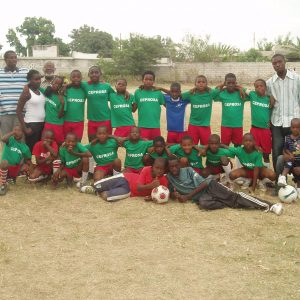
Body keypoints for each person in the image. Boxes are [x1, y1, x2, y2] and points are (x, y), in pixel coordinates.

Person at [167, 157, 283, 215]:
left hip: (210, 187)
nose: (174, 169)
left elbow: (205, 183)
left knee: (235, 198)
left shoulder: (188, 170)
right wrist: (175, 195)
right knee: (204, 204)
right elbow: (172, 192)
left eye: (176, 166)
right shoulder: (169, 178)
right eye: (171, 167)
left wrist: (187, 196)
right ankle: (226, 201)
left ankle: (270, 205)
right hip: (202, 197)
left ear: (179, 165)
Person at [267, 54, 300, 172]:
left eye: (279, 62)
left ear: (285, 61)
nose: (277, 65)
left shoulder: (297, 79)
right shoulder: (270, 83)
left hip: (294, 123)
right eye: (274, 63)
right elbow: (265, 99)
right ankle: (279, 181)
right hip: (277, 122)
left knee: (296, 151)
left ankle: (297, 179)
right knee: (276, 151)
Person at [81, 158, 168, 202]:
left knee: (106, 196)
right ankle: (92, 186)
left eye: (161, 169)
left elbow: (159, 193)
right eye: (157, 168)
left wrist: (152, 197)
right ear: (152, 167)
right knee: (97, 185)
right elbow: (139, 187)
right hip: (125, 178)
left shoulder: (163, 180)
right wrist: (151, 185)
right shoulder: (146, 170)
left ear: (164, 170)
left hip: (129, 191)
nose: (159, 170)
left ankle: (96, 192)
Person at [182, 75, 220, 145]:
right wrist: (193, 89)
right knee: (192, 146)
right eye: (198, 82)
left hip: (205, 126)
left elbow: (220, 89)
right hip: (193, 125)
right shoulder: (191, 94)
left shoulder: (210, 93)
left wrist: (209, 88)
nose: (201, 83)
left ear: (206, 84)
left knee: (207, 147)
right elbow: (180, 95)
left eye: (203, 82)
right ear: (195, 84)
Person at [81, 66, 115, 141]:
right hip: (92, 120)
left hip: (106, 120)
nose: (94, 74)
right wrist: (65, 86)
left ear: (100, 74)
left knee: (107, 143)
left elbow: (116, 96)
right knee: (92, 143)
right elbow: (74, 83)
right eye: (92, 73)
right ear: (88, 75)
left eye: (96, 72)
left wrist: (126, 91)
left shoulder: (106, 86)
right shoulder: (85, 85)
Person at [246, 79, 274, 168]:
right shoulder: (252, 95)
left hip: (265, 130)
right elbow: (242, 89)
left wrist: (271, 96)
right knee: (252, 152)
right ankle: (251, 173)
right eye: (256, 87)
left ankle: (266, 176)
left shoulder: (269, 99)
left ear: (265, 87)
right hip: (254, 129)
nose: (259, 88)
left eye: (261, 86)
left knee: (265, 154)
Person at [0, 50, 28, 136]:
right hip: (4, 113)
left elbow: (35, 82)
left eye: (15, 57)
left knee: (20, 139)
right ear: (5, 59)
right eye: (11, 58)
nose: (14, 60)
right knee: (6, 140)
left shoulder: (25, 72)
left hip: (20, 114)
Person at [16, 70, 46, 152]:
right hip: (31, 125)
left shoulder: (41, 91)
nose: (39, 81)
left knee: (40, 148)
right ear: (30, 80)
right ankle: (31, 164)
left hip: (42, 124)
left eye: (39, 79)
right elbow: (18, 111)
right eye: (36, 79)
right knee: (32, 148)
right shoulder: (26, 93)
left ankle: (37, 164)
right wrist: (25, 128)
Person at [215, 73, 247, 147]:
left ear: (236, 83)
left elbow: (251, 94)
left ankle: (237, 159)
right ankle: (225, 159)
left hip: (238, 126)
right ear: (225, 83)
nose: (231, 85)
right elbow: (214, 92)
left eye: (233, 83)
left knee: (238, 146)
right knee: (224, 146)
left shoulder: (241, 94)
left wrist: (240, 88)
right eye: (228, 83)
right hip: (225, 126)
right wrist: (222, 85)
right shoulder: (223, 93)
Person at [0, 125, 32, 195]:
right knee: (4, 162)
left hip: (14, 168)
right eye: (15, 130)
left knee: (26, 166)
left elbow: (29, 159)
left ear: (23, 133)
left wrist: (31, 168)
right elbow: (2, 139)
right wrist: (12, 133)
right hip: (3, 167)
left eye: (19, 130)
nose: (16, 132)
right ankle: (3, 184)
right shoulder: (10, 139)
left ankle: (11, 178)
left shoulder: (25, 147)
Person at [133, 71, 165, 140]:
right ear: (142, 80)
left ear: (153, 81)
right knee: (144, 147)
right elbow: (133, 109)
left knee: (156, 147)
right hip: (142, 126)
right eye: (146, 79)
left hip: (155, 126)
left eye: (150, 80)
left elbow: (168, 105)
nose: (148, 81)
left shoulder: (158, 92)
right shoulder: (138, 92)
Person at [277, 118, 300, 195]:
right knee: (288, 163)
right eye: (293, 127)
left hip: (299, 162)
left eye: (297, 127)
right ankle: (282, 178)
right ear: (290, 128)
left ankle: (298, 187)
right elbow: (285, 149)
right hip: (291, 159)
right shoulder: (287, 138)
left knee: (298, 174)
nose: (295, 129)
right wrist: (289, 155)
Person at [63, 70, 86, 141]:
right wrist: (66, 86)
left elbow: (91, 84)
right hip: (66, 121)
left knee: (77, 142)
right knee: (66, 142)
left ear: (81, 78)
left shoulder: (84, 90)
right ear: (70, 78)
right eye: (73, 77)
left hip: (79, 122)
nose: (76, 78)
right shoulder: (66, 89)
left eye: (78, 77)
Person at [43, 76, 65, 145]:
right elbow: (36, 87)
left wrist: (63, 104)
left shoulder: (62, 98)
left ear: (61, 86)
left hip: (57, 124)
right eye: (55, 83)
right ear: (52, 83)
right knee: (46, 142)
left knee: (58, 143)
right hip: (48, 123)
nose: (56, 85)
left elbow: (60, 116)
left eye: (58, 84)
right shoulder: (47, 93)